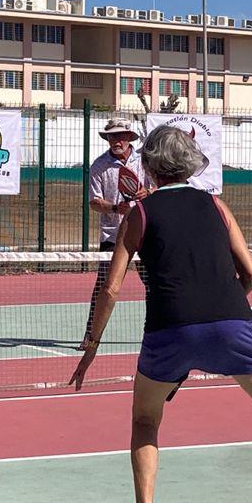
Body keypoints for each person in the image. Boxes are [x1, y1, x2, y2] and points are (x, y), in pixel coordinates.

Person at [72, 126, 252, 503]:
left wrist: (92, 347)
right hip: (233, 322)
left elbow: (112, 288)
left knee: (145, 421)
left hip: (168, 329)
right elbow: (251, 275)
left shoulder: (139, 214)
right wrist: (222, 314)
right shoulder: (216, 206)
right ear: (190, 163)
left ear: (149, 165)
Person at [83, 118, 151, 342]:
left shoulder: (144, 161)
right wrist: (114, 208)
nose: (116, 140)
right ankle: (91, 335)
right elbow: (94, 202)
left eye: (120, 136)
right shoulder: (99, 165)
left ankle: (155, 331)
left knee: (153, 284)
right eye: (112, 136)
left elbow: (158, 188)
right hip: (113, 235)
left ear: (129, 138)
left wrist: (147, 193)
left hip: (144, 233)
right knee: (104, 285)